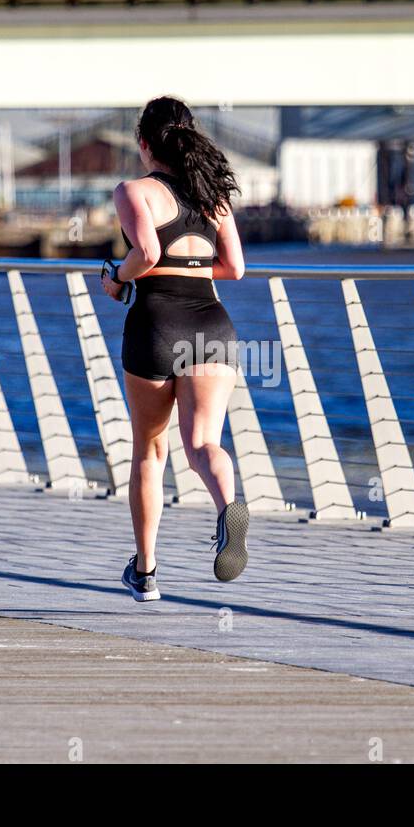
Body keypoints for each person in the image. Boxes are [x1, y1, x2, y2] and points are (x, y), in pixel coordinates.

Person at [101, 96, 249, 603]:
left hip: (156, 323)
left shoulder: (132, 191)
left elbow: (147, 253)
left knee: (150, 448)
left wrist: (115, 277)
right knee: (203, 442)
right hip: (211, 324)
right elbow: (234, 268)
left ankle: (145, 573)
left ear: (144, 143)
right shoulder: (213, 194)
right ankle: (228, 505)